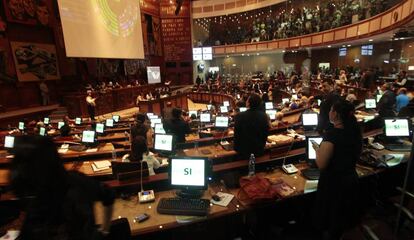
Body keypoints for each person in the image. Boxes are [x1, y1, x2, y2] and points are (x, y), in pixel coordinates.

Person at [9, 136, 114, 239]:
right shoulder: (76, 180)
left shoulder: (37, 202)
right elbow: (108, 193)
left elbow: (108, 194)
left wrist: (104, 231)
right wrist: (105, 230)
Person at [312, 99, 362, 239]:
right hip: (350, 179)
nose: (329, 112)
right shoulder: (355, 131)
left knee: (331, 219)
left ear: (336, 114)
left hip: (333, 183)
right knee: (341, 218)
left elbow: (321, 164)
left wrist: (317, 150)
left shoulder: (332, 134)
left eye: (331, 110)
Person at [234, 93, 269, 158]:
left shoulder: (239, 116)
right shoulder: (264, 116)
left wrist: (236, 149)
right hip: (259, 149)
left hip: (243, 151)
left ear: (248, 103)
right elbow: (265, 133)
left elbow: (237, 135)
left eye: (247, 100)